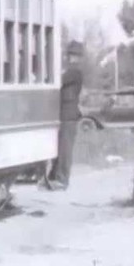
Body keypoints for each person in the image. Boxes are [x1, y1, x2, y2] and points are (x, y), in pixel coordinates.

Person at [46, 41, 86, 191]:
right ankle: (54, 176)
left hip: (68, 115)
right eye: (70, 55)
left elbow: (59, 81)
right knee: (60, 147)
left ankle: (62, 179)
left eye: (73, 55)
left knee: (65, 148)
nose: (70, 58)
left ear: (78, 57)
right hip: (64, 114)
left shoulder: (74, 72)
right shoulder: (71, 71)